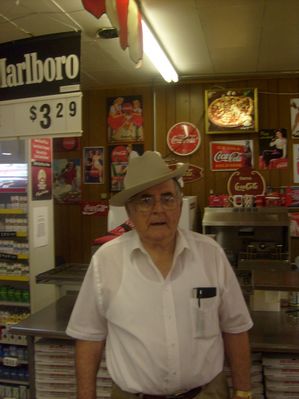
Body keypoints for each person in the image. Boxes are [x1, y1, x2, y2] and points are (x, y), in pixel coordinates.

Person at [66, 151, 253, 399]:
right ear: (130, 212)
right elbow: (89, 337)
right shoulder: (106, 260)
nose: (158, 209)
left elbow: (236, 327)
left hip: (206, 393)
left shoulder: (211, 255)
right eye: (145, 200)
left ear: (179, 203)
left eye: (167, 198)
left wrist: (243, 392)